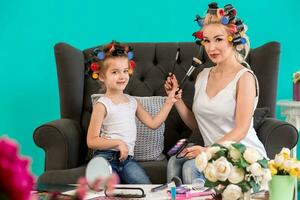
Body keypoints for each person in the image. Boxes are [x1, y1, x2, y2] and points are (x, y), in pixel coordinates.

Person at [165, 2, 267, 184]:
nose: (211, 48)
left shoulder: (244, 78)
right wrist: (176, 100)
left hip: (243, 156)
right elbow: (200, 124)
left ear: (233, 39)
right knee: (175, 162)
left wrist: (206, 150)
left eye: (218, 39)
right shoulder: (203, 76)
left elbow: (241, 130)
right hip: (213, 154)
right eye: (207, 41)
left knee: (190, 166)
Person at [86, 41, 181, 184]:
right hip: (105, 157)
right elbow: (92, 141)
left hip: (127, 159)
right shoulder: (102, 104)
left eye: (125, 71)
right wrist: (118, 143)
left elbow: (153, 123)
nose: (122, 76)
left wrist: (170, 101)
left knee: (146, 188)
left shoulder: (132, 102)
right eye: (115, 72)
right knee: (107, 191)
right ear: (101, 76)